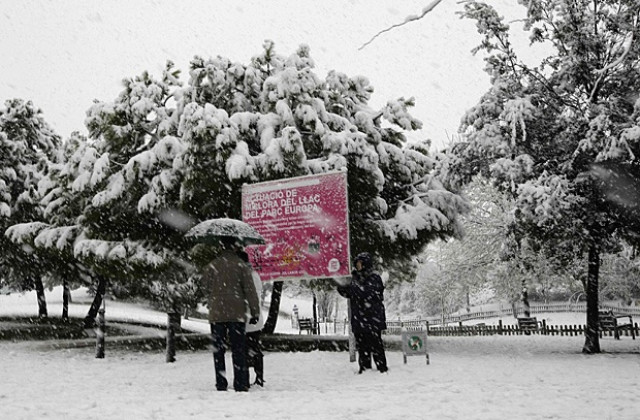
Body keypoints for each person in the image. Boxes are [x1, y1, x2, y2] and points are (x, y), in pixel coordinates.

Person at [203, 238, 260, 392]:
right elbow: (250, 291)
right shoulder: (241, 266)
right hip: (237, 314)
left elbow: (205, 288)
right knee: (238, 349)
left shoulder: (212, 266)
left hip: (217, 314)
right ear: (235, 247)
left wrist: (215, 296)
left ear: (222, 247)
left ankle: (221, 382)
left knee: (218, 350)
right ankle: (240, 383)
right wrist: (255, 312)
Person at [337, 252, 388, 374]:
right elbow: (348, 293)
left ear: (365, 264)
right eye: (357, 263)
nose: (358, 265)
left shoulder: (374, 278)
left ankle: (382, 368)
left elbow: (365, 293)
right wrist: (341, 284)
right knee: (362, 346)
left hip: (373, 320)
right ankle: (365, 369)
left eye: (360, 263)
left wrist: (352, 286)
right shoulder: (355, 278)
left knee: (376, 345)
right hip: (359, 319)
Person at [239, 250, 265, 387]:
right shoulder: (255, 275)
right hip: (255, 318)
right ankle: (259, 376)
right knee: (254, 348)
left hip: (249, 318)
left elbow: (249, 298)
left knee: (247, 350)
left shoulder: (247, 276)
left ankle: (251, 377)